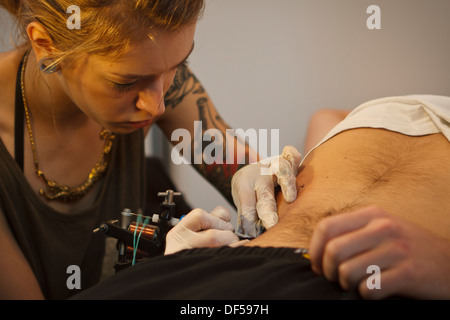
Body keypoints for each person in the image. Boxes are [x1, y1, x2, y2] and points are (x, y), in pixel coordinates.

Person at [0, 0, 301, 299]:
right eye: (126, 82)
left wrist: (254, 176)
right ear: (46, 46)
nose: (157, 105)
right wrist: (155, 282)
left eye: (177, 65)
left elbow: (245, 170)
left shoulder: (156, 77)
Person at [73, 95, 450, 300]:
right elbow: (325, 115)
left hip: (364, 280)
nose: (158, 103)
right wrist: (255, 169)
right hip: (215, 266)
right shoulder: (358, 115)